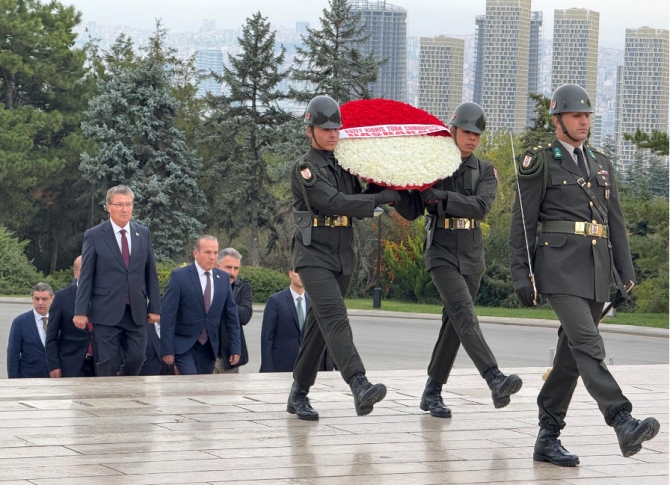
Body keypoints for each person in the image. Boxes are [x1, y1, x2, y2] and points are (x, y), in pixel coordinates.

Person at [509, 84, 660, 466]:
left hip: (595, 271)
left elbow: (615, 223)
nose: (584, 121)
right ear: (558, 120)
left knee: (570, 357)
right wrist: (521, 274)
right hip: (557, 268)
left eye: (588, 115)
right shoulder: (540, 161)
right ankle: (621, 420)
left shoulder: (600, 162)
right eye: (577, 115)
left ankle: (547, 436)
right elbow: (523, 223)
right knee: (589, 344)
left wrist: (626, 272)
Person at [395, 102, 522, 419]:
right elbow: (413, 210)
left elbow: (480, 207)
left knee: (453, 324)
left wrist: (444, 199)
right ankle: (494, 377)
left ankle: (432, 392)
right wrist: (398, 188)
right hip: (440, 251)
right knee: (464, 313)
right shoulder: (432, 167)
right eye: (467, 132)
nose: (473, 139)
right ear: (452, 130)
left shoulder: (485, 171)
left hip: (471, 254)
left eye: (477, 134)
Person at [287, 94, 404, 420]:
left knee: (319, 326)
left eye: (336, 128)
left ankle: (298, 393)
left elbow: (358, 197)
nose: (332, 134)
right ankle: (359, 383)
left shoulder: (344, 166)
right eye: (324, 128)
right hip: (313, 255)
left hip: (342, 254)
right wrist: (380, 197)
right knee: (335, 316)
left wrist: (388, 186)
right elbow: (335, 203)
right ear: (309, 130)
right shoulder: (305, 169)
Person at [74, 185, 161, 376]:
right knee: (107, 359)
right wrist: (80, 311)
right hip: (105, 310)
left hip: (136, 310)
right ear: (108, 207)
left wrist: (155, 307)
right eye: (119, 204)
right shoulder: (95, 235)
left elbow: (150, 273)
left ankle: (125, 388)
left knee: (137, 356)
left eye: (128, 204)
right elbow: (86, 275)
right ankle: (107, 397)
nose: (125, 209)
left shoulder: (142, 233)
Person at [161, 236, 241, 375]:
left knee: (204, 388)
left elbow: (231, 316)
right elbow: (168, 315)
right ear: (195, 253)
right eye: (207, 252)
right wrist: (167, 349)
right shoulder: (180, 276)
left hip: (209, 347)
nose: (212, 257)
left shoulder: (222, 278)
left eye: (215, 253)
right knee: (191, 382)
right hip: (184, 345)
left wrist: (235, 347)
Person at [46, 256, 95, 377]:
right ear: (75, 273)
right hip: (71, 363)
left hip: (100, 363)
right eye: (84, 269)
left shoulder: (105, 297)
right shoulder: (62, 298)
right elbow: (51, 336)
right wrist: (54, 366)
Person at [214, 248, 253, 374]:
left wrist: (225, 301)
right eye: (228, 267)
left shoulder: (243, 287)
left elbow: (245, 316)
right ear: (217, 266)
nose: (232, 272)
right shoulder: (206, 285)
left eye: (236, 268)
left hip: (229, 356)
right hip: (207, 354)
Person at [7, 282, 53, 378]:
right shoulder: (20, 322)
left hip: (55, 377)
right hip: (28, 377)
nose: (40, 303)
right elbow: (13, 355)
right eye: (37, 299)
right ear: (32, 298)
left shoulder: (59, 320)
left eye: (44, 299)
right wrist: (13, 382)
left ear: (51, 299)